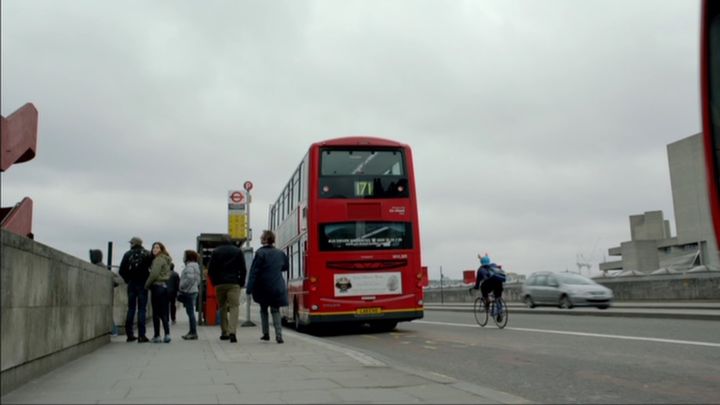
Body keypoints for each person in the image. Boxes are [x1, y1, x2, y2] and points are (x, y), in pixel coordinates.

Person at [246, 230, 289, 344]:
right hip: (277, 285)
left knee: (263, 310)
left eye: (261, 237)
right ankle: (279, 336)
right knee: (275, 310)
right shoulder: (280, 253)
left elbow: (254, 272)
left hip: (263, 287)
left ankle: (266, 334)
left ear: (265, 239)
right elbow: (285, 267)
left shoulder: (260, 253)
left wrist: (249, 289)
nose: (260, 238)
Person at [208, 236, 247, 343]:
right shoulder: (238, 251)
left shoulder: (216, 252)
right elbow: (243, 269)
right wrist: (241, 282)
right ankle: (232, 332)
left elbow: (211, 270)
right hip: (233, 283)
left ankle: (224, 332)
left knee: (222, 307)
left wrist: (215, 282)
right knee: (234, 307)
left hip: (220, 284)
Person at [118, 237, 152, 343]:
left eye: (131, 243)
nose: (130, 244)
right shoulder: (147, 254)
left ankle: (130, 334)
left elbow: (121, 270)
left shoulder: (127, 254)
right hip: (143, 284)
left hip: (132, 284)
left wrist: (128, 280)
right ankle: (142, 335)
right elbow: (152, 268)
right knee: (142, 309)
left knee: (131, 308)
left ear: (134, 244)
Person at [145, 241, 173, 343]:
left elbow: (154, 275)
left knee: (156, 313)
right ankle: (167, 334)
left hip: (157, 288)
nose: (154, 249)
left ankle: (157, 336)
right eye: (153, 248)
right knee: (164, 313)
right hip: (164, 287)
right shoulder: (166, 259)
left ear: (161, 249)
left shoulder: (158, 260)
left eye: (157, 247)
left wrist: (146, 285)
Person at [470, 253, 506, 321]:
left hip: (489, 285)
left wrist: (475, 288)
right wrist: (483, 257)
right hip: (499, 283)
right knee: (497, 297)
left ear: (481, 263)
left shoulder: (480, 270)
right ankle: (500, 312)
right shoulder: (494, 265)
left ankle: (487, 300)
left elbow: (477, 284)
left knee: (482, 287)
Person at [179, 249, 201, 340]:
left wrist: (182, 287)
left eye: (184, 255)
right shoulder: (196, 266)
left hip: (189, 291)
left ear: (188, 257)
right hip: (193, 290)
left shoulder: (189, 266)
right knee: (190, 312)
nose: (183, 257)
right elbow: (198, 280)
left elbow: (190, 279)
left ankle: (193, 333)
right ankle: (191, 331)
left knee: (190, 313)